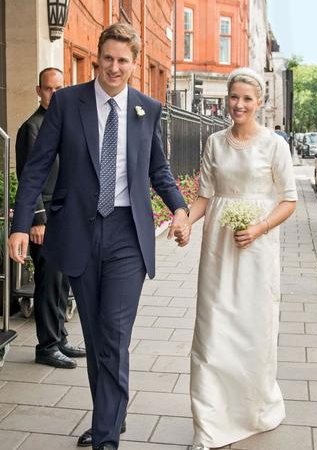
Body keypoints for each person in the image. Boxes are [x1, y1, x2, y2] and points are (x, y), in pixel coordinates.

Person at [7, 23, 191, 450]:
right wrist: (20, 226)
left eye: (123, 60)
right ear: (97, 57)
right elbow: (37, 166)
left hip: (128, 233)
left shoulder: (148, 108)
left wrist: (180, 208)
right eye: (108, 57)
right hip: (78, 232)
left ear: (134, 63)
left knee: (113, 333)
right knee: (94, 333)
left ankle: (106, 437)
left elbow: (158, 170)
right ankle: (112, 414)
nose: (114, 66)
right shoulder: (68, 103)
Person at [185, 67, 297, 450]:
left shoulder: (274, 145)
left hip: (257, 250)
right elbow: (204, 195)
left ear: (259, 102)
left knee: (253, 328)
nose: (239, 104)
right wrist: (185, 220)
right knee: (212, 329)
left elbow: (289, 200)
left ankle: (254, 410)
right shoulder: (215, 142)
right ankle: (210, 423)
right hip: (218, 247)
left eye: (247, 98)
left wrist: (261, 228)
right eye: (234, 97)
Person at [15, 67, 86, 369]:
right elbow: (29, 177)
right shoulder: (32, 127)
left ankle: (60, 338)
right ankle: (46, 346)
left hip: (66, 217)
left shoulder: (62, 124)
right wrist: (36, 220)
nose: (54, 94)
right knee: (48, 283)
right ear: (38, 91)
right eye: (49, 89)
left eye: (60, 88)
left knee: (62, 282)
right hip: (44, 219)